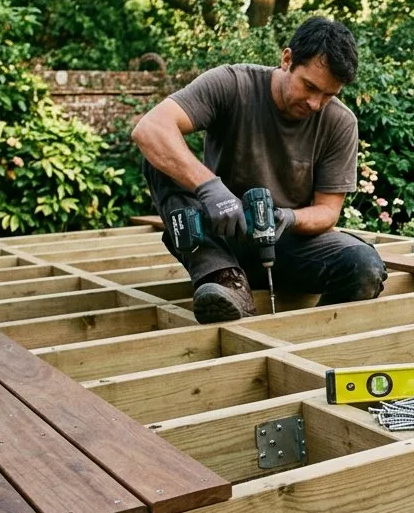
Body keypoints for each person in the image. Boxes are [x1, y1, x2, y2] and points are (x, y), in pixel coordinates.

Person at [131, 17, 386, 323]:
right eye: (310, 87)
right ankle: (225, 282)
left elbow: (328, 212)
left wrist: (286, 218)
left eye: (329, 95)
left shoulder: (340, 123)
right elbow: (150, 128)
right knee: (159, 156)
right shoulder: (233, 84)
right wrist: (210, 189)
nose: (316, 104)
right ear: (287, 59)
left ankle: (312, 336)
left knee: (364, 266)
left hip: (286, 248)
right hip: (218, 239)